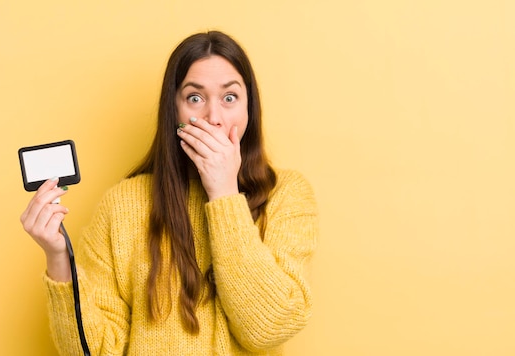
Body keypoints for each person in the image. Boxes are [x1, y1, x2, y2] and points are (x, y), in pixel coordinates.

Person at [20, 30, 318, 355]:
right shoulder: (123, 204)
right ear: (173, 111)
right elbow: (99, 350)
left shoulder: (286, 195)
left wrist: (224, 193)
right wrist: (59, 258)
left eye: (230, 98)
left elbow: (269, 329)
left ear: (250, 109)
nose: (213, 118)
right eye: (195, 98)